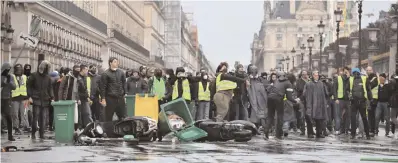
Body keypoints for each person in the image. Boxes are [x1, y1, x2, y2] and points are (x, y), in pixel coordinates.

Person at [263, 71, 298, 140]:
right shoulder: (288, 83)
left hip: (270, 98)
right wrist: (296, 101)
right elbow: (289, 97)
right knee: (280, 117)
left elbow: (268, 89)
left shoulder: (276, 81)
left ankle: (266, 132)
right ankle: (278, 134)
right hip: (279, 99)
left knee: (270, 116)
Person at [27, 60, 54, 139]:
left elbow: (50, 88)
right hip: (36, 98)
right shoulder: (34, 75)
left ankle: (41, 134)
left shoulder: (48, 77)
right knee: (35, 116)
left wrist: (52, 97)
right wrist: (29, 96)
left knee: (43, 117)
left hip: (45, 99)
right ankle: (33, 133)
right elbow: (29, 86)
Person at [100, 57, 127, 122]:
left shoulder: (121, 72)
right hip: (110, 98)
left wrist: (125, 93)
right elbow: (103, 87)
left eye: (117, 61)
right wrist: (103, 99)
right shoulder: (105, 73)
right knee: (108, 117)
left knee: (123, 116)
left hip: (120, 97)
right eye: (115, 61)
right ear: (110, 63)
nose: (117, 63)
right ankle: (108, 131)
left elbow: (124, 83)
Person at [348, 68, 372, 139]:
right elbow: (368, 90)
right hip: (361, 101)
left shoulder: (351, 79)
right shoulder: (364, 78)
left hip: (355, 101)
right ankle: (367, 135)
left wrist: (349, 96)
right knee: (364, 118)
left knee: (353, 118)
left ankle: (353, 134)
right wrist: (370, 99)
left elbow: (347, 90)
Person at [304, 71, 329, 138]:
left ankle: (319, 133)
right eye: (315, 75)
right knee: (310, 119)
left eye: (317, 75)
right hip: (311, 104)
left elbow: (326, 93)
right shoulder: (308, 84)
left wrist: (325, 101)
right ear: (312, 76)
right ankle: (310, 133)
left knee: (319, 119)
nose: (316, 76)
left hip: (319, 104)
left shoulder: (321, 84)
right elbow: (304, 94)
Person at [11, 64, 29, 135]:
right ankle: (16, 128)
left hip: (24, 97)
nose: (19, 71)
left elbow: (27, 86)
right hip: (15, 98)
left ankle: (25, 126)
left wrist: (28, 96)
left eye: (20, 70)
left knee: (24, 113)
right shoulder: (12, 76)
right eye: (17, 70)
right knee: (15, 114)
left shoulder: (24, 77)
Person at [333, 67, 351, 135]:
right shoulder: (338, 78)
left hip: (348, 100)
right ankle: (338, 129)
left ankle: (346, 129)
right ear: (343, 71)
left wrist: (349, 78)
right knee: (338, 115)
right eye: (345, 71)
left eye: (348, 71)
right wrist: (336, 98)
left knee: (348, 115)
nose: (346, 73)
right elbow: (334, 89)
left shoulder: (350, 79)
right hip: (340, 99)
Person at [1, 62, 16, 141]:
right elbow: (1, 84)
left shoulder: (11, 77)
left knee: (9, 117)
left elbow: (14, 87)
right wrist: (3, 79)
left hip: (7, 99)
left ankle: (10, 135)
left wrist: (9, 81)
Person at [296, 70, 310, 135]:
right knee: (302, 115)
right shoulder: (299, 81)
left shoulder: (309, 81)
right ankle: (302, 130)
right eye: (303, 74)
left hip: (308, 100)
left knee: (308, 115)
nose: (305, 75)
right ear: (301, 75)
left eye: (306, 74)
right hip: (301, 100)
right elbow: (299, 89)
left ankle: (310, 130)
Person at [368, 72, 379, 136]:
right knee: (373, 116)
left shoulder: (374, 79)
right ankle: (373, 129)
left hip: (373, 99)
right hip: (374, 99)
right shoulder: (375, 79)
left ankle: (372, 129)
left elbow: (370, 87)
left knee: (371, 116)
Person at [388, 70, 398, 139]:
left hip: (395, 100)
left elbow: (391, 90)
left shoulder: (393, 80)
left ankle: (395, 133)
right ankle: (395, 133)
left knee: (393, 117)